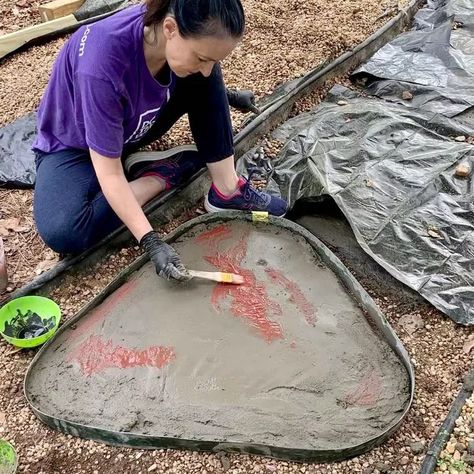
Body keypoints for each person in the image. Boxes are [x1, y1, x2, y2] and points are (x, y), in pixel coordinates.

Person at [32, 0, 288, 282]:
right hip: (75, 147)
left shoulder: (170, 29)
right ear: (170, 28)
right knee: (65, 231)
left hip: (134, 125)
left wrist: (226, 96)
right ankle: (160, 175)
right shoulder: (101, 65)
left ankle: (227, 189)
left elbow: (201, 72)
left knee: (202, 73)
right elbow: (109, 172)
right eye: (202, 58)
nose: (206, 69)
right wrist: (151, 240)